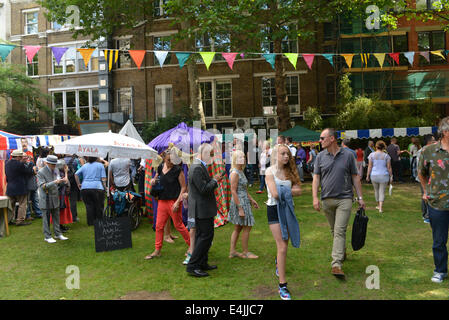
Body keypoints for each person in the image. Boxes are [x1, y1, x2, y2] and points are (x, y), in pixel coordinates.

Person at [312, 128, 365, 278]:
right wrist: (315, 198)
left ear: (332, 139)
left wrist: (360, 198)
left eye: (322, 138)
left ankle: (336, 264)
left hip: (345, 199)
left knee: (339, 230)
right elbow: (316, 178)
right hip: (327, 200)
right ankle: (342, 251)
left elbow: (355, 177)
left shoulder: (348, 155)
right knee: (334, 231)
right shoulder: (320, 157)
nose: (320, 141)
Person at [265, 144, 302, 300]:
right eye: (283, 154)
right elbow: (274, 194)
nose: (286, 156)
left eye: (287, 154)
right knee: (282, 246)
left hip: (288, 210)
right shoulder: (269, 171)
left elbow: (299, 190)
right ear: (275, 155)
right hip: (274, 210)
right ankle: (283, 286)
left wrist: (284, 190)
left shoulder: (290, 171)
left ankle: (278, 262)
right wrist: (289, 190)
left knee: (284, 244)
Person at [418, 117, 449, 283]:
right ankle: (440, 270)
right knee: (439, 240)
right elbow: (421, 173)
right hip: (437, 204)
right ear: (445, 132)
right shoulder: (428, 152)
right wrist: (426, 191)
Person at [145, 148, 190, 260]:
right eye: (169, 160)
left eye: (173, 160)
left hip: (173, 201)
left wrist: (177, 202)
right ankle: (157, 250)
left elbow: (184, 187)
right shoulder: (160, 167)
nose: (171, 162)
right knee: (159, 226)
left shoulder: (177, 170)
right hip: (162, 201)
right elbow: (156, 177)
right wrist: (153, 181)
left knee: (179, 225)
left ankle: (192, 246)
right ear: (164, 158)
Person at [186, 143, 223, 278]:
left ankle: (201, 263)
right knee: (205, 236)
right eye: (210, 154)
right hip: (201, 208)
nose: (211, 157)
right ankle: (193, 265)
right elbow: (203, 189)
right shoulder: (197, 167)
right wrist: (215, 180)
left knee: (204, 236)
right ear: (203, 154)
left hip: (202, 208)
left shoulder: (198, 165)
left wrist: (213, 180)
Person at [228, 150, 260, 259]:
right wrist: (240, 208)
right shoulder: (235, 173)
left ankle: (232, 251)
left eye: (243, 157)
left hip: (244, 200)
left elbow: (244, 189)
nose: (243, 159)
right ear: (235, 160)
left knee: (238, 227)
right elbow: (233, 191)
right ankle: (246, 252)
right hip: (239, 202)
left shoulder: (240, 171)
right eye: (240, 158)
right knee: (247, 226)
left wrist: (252, 200)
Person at [37, 155, 69, 243]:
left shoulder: (56, 170)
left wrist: (63, 181)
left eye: (55, 164)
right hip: (46, 198)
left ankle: (58, 234)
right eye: (52, 164)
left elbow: (58, 184)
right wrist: (55, 182)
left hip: (55, 197)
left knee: (56, 216)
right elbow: (43, 186)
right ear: (47, 163)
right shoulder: (41, 172)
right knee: (46, 218)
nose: (54, 166)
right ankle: (47, 236)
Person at [74, 157, 107, 226]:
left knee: (89, 206)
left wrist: (78, 184)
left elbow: (76, 174)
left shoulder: (85, 165)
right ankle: (99, 221)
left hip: (85, 187)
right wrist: (105, 187)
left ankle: (90, 222)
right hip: (97, 187)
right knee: (99, 205)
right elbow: (103, 179)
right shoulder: (100, 165)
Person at [5, 150, 34, 226]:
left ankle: (8, 220)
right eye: (21, 156)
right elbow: (28, 172)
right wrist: (30, 163)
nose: (22, 158)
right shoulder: (20, 164)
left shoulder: (7, 164)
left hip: (10, 187)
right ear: (18, 157)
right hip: (20, 187)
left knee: (11, 205)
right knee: (22, 204)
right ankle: (20, 220)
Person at [366, 140, 393, 213]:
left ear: (376, 146)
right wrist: (391, 176)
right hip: (384, 175)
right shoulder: (386, 156)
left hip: (374, 175)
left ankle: (378, 205)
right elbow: (389, 167)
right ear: (383, 147)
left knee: (376, 191)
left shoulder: (371, 155)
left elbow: (370, 166)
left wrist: (367, 176)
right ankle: (380, 207)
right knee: (382, 191)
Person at [416, 134, 437, 224]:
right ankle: (426, 216)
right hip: (425, 177)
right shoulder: (424, 151)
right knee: (426, 196)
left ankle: (427, 215)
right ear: (429, 142)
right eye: (433, 141)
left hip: (427, 177)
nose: (435, 142)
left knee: (427, 196)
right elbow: (422, 168)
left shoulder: (426, 150)